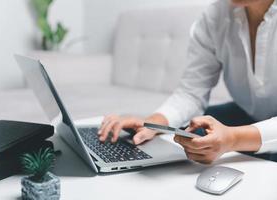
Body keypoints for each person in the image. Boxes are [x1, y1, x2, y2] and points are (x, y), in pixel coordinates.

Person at [99, 0, 277, 164]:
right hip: (249, 114)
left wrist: (233, 139)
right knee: (194, 130)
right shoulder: (215, 16)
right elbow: (191, 93)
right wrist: (152, 122)